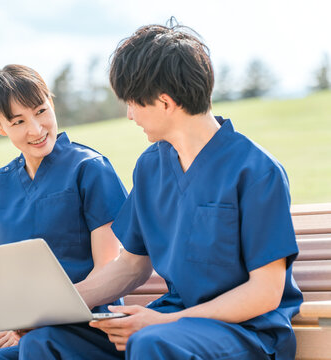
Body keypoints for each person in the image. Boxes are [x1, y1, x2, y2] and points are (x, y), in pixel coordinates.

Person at [19, 22, 303, 360]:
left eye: (133, 103)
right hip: (168, 328)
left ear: (164, 102)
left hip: (245, 333)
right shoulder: (151, 167)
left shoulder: (256, 171)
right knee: (47, 341)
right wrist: (52, 308)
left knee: (151, 343)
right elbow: (132, 266)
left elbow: (265, 293)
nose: (129, 115)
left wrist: (164, 320)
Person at [0, 64, 127, 360]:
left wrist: (33, 324)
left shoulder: (90, 169)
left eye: (41, 111)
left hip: (82, 330)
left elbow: (108, 268)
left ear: (51, 103)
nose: (36, 129)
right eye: (18, 121)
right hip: (17, 332)